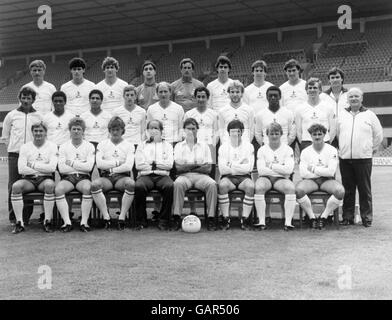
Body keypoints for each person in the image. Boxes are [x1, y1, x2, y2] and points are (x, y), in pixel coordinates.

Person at [337, 87, 383, 227]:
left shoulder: (370, 115)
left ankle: (366, 218)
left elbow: (378, 135)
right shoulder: (342, 114)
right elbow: (337, 133)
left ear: (362, 98)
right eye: (351, 97)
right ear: (348, 99)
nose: (354, 99)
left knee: (364, 190)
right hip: (345, 159)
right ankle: (347, 217)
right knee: (348, 190)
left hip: (363, 159)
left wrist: (369, 149)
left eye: (356, 96)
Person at [1, 87, 42, 224]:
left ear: (33, 100)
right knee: (13, 185)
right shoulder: (11, 115)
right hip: (15, 155)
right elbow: (5, 136)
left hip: (31, 155)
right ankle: (14, 218)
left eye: (28, 98)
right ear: (20, 98)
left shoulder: (38, 116)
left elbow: (41, 135)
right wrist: (12, 148)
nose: (26, 100)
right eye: (23, 98)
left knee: (29, 184)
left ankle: (26, 217)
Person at [10, 122, 58, 234]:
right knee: (16, 186)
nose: (38, 133)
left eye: (41, 131)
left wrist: (32, 165)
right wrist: (42, 167)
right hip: (29, 179)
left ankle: (47, 221)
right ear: (32, 132)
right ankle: (19, 223)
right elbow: (21, 169)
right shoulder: (25, 147)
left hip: (45, 179)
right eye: (36, 131)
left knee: (50, 185)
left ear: (46, 132)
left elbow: (51, 168)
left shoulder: (52, 146)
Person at [296, 124, 345, 230]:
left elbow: (331, 172)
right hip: (310, 180)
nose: (317, 137)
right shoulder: (305, 151)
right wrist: (323, 171)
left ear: (324, 135)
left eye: (320, 134)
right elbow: (303, 173)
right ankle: (312, 217)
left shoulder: (332, 150)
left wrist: (313, 169)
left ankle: (324, 216)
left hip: (326, 181)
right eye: (314, 134)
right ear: (310, 136)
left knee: (340, 191)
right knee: (299, 190)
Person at [172, 118, 217, 231]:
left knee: (212, 184)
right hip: (184, 176)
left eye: (193, 128)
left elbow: (208, 168)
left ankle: (211, 218)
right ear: (184, 130)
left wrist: (188, 165)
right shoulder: (178, 146)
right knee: (177, 184)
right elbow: (178, 167)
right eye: (188, 129)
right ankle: (177, 217)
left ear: (197, 130)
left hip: (201, 177)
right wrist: (197, 165)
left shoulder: (205, 146)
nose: (191, 131)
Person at [92, 117, 135, 231]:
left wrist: (111, 169)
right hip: (106, 177)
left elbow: (128, 166)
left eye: (117, 129)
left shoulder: (129, 145)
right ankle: (107, 217)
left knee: (131, 184)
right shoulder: (102, 144)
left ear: (122, 130)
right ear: (109, 130)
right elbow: (100, 164)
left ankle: (121, 218)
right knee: (95, 185)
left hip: (122, 177)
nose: (115, 132)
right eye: (112, 129)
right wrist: (117, 163)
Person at [55, 118, 95, 232]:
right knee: (58, 190)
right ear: (70, 130)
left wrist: (71, 163)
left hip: (83, 177)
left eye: (79, 129)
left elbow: (88, 167)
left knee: (88, 188)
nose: (76, 131)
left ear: (83, 131)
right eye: (74, 129)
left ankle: (84, 222)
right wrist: (81, 164)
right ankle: (67, 222)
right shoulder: (63, 146)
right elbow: (62, 169)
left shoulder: (89, 146)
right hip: (67, 177)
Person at [254, 123, 296, 231]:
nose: (274, 136)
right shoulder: (262, 150)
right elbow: (261, 170)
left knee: (290, 188)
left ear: (281, 134)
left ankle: (288, 222)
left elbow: (289, 170)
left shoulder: (288, 149)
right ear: (267, 135)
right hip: (266, 177)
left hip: (280, 179)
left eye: (276, 133)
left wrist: (271, 165)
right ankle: (262, 221)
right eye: (271, 133)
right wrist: (280, 168)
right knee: (259, 187)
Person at [134, 120, 174, 230]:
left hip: (163, 176)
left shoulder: (168, 146)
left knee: (170, 186)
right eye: (151, 128)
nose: (153, 130)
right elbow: (139, 165)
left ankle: (164, 220)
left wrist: (152, 165)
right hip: (145, 176)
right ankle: (141, 220)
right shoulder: (142, 145)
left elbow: (169, 165)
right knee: (139, 187)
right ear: (147, 131)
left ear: (161, 131)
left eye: (156, 128)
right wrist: (156, 166)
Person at [218, 120, 254, 230]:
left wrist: (231, 165)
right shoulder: (223, 147)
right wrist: (240, 165)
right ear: (228, 132)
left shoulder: (249, 146)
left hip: (244, 178)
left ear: (242, 132)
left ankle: (245, 218)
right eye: (233, 131)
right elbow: (222, 170)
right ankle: (225, 218)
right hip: (228, 178)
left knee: (251, 186)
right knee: (222, 186)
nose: (236, 134)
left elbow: (249, 168)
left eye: (238, 131)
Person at [295, 77, 336, 151]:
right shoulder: (299, 109)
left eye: (315, 88)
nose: (312, 90)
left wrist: (328, 142)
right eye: (310, 88)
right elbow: (298, 131)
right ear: (306, 90)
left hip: (324, 143)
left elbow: (333, 129)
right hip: (306, 144)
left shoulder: (328, 107)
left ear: (320, 90)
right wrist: (302, 143)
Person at [279, 59, 307, 154]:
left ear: (298, 70)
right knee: (287, 155)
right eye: (289, 71)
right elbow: (281, 108)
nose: (291, 73)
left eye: (294, 70)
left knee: (305, 154)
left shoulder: (306, 85)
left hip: (303, 125)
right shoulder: (282, 88)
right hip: (288, 126)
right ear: (286, 72)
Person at [320, 67, 349, 148]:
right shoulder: (322, 96)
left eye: (337, 77)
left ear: (342, 79)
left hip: (345, 131)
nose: (335, 79)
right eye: (332, 78)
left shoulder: (349, 95)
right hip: (329, 133)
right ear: (329, 80)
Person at [218, 80, 254, 145]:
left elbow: (251, 131)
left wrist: (246, 144)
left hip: (244, 146)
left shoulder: (249, 110)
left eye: (237, 92)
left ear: (242, 94)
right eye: (232, 92)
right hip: (228, 146)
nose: (235, 94)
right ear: (228, 94)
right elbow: (221, 131)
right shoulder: (222, 111)